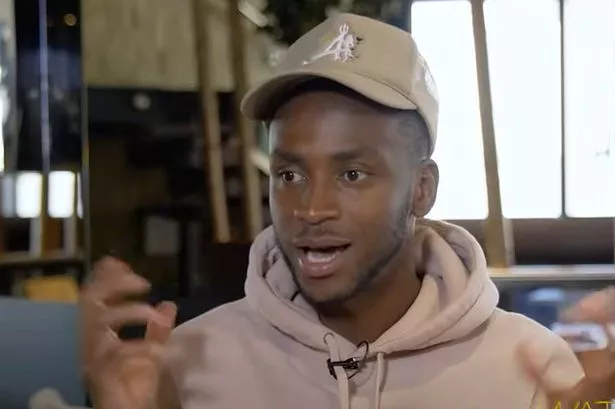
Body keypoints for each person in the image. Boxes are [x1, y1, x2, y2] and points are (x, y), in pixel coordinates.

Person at [79, 12, 612, 409]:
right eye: (289, 175)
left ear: (422, 189)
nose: (310, 209)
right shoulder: (186, 361)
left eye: (352, 174)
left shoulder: (534, 368)